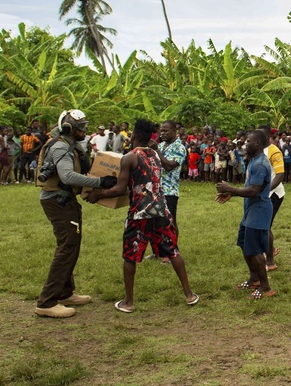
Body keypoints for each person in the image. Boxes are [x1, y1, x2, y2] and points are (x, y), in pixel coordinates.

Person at [88, 119, 199, 312]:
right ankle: (189, 294)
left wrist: (99, 194)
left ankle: (128, 302)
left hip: (140, 211)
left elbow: (120, 188)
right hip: (161, 209)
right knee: (172, 250)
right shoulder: (156, 155)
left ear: (135, 136)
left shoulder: (130, 157)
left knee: (130, 255)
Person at [34, 109, 116, 318]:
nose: (83, 130)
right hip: (57, 201)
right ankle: (46, 302)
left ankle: (64, 292)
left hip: (65, 200)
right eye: (79, 127)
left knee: (71, 244)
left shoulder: (70, 144)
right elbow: (68, 176)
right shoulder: (61, 146)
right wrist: (99, 182)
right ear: (68, 127)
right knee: (67, 246)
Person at [216, 130, 276, 299]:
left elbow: (254, 191)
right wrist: (232, 194)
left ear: (257, 143)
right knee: (245, 245)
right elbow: (251, 188)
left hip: (259, 212)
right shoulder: (253, 160)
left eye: (248, 141)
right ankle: (254, 279)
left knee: (255, 249)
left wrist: (230, 189)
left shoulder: (259, 164)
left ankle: (266, 288)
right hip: (250, 210)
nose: (244, 144)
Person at [258, 125, 286, 271]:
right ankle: (271, 249)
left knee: (265, 226)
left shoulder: (274, 151)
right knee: (262, 226)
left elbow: (280, 175)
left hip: (273, 193)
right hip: (260, 193)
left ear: (269, 136)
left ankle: (270, 262)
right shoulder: (258, 150)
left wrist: (265, 191)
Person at [157, 120, 187, 228]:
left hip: (169, 190)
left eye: (166, 131)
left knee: (170, 221)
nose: (163, 133)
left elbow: (169, 166)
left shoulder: (179, 147)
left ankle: (173, 244)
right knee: (158, 222)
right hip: (157, 189)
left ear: (174, 131)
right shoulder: (160, 146)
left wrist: (156, 150)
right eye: (161, 131)